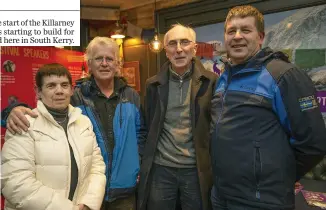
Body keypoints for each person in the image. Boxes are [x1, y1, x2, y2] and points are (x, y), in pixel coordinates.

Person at [3, 37, 147, 210]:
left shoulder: (132, 95)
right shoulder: (76, 94)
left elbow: (141, 134)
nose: (104, 64)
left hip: (124, 189)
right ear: (89, 64)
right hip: (86, 193)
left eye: (109, 59)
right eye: (98, 59)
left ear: (117, 63)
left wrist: (135, 165)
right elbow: (43, 109)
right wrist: (13, 110)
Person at [210, 5, 326, 209]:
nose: (237, 36)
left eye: (245, 30)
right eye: (231, 31)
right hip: (222, 195)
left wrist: (275, 179)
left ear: (261, 37)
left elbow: (313, 143)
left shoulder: (283, 75)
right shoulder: (224, 78)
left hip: (262, 201)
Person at [1, 63, 106, 210]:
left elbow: (97, 167)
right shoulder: (23, 123)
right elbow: (15, 181)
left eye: (64, 85)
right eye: (51, 86)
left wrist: (89, 204)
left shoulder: (83, 122)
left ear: (71, 90)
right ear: (38, 91)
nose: (59, 91)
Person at [138, 24, 218, 210]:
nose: (179, 49)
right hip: (161, 169)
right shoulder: (152, 85)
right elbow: (147, 125)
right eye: (172, 44)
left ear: (195, 48)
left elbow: (215, 127)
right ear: (166, 51)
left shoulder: (211, 82)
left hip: (195, 170)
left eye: (184, 42)